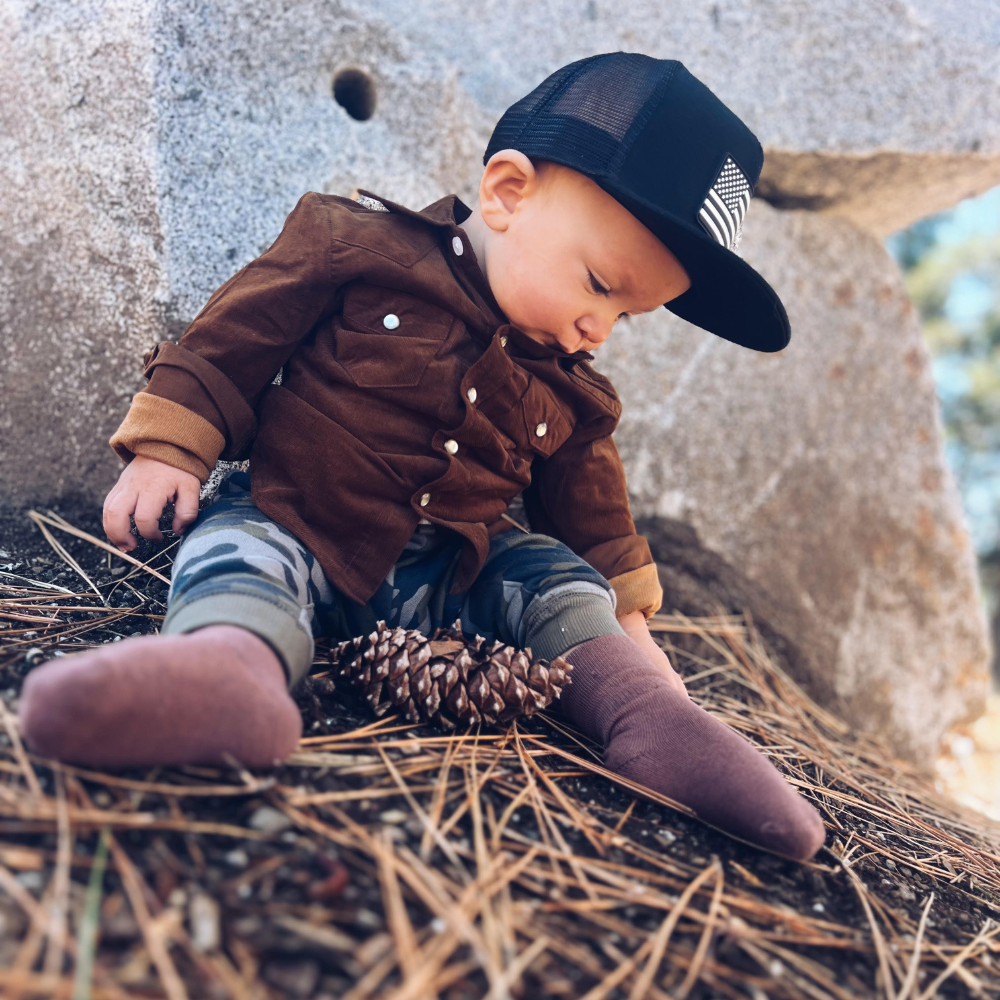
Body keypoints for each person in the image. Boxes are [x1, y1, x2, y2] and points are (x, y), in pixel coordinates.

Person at [19, 54, 824, 861]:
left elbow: (596, 521)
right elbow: (236, 338)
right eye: (599, 285)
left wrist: (635, 624)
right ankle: (229, 671)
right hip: (300, 519)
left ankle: (649, 717)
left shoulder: (575, 395)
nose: (599, 329)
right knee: (237, 555)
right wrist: (169, 448)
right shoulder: (355, 248)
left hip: (457, 576)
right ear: (508, 193)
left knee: (553, 576)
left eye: (628, 315)